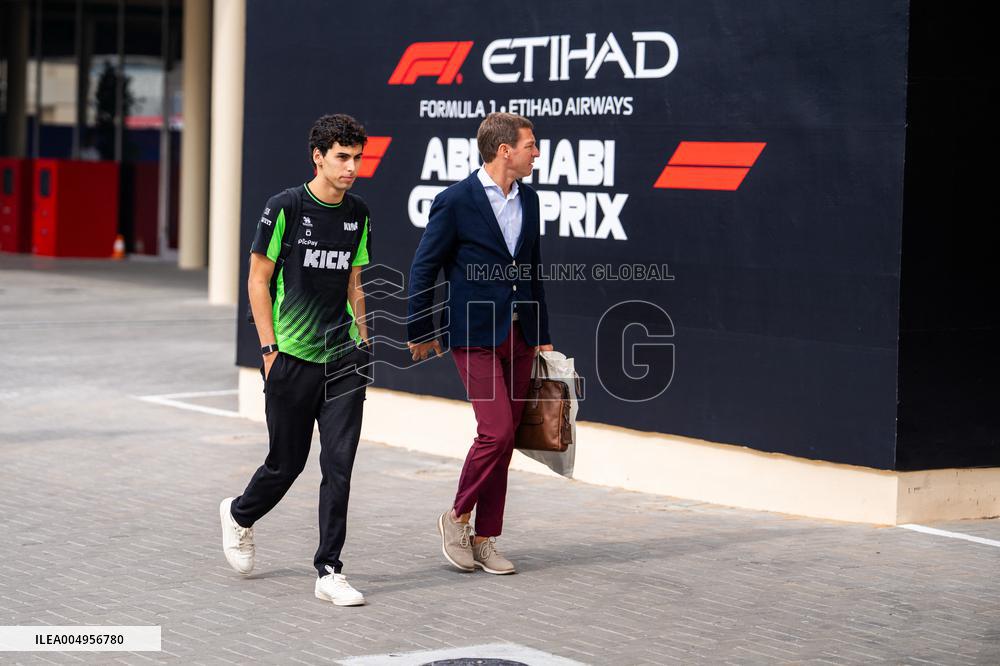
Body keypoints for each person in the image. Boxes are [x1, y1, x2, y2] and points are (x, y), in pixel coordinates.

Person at [220, 114, 373, 606]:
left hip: (344, 359)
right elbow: (257, 280)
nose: (351, 168)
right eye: (342, 158)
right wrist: (268, 350)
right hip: (291, 358)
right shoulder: (284, 207)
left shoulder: (360, 213)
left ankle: (329, 569)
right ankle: (240, 515)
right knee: (287, 463)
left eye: (357, 158)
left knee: (339, 464)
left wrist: (364, 341)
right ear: (319, 157)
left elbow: (355, 283)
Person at [407, 112, 553, 575]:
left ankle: (486, 538)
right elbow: (424, 268)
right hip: (472, 333)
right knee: (498, 433)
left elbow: (533, 271)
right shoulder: (455, 201)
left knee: (506, 442)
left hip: (520, 335)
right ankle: (456, 518)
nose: (536, 152)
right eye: (530, 145)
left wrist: (543, 336)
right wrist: (420, 329)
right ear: (504, 150)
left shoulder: (529, 200)